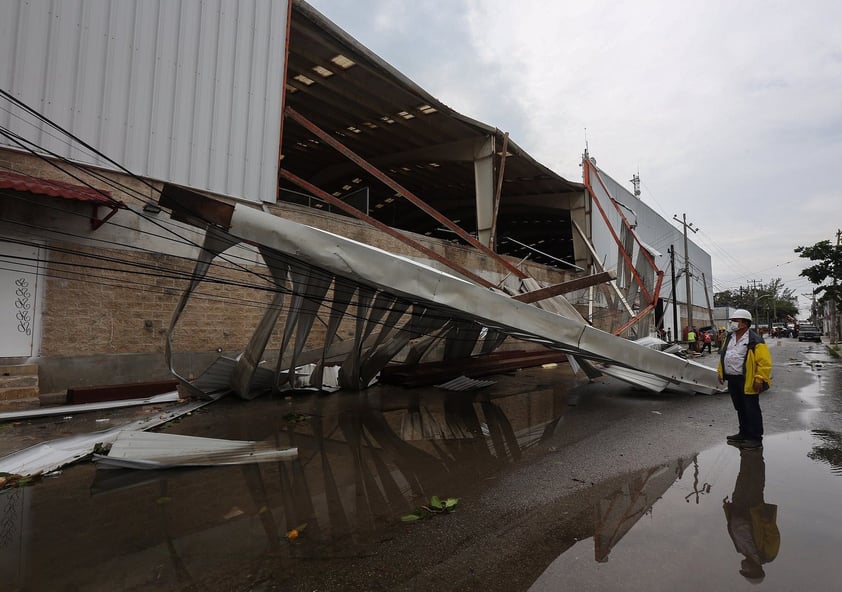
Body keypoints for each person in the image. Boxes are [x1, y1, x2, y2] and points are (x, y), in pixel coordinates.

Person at [723, 447, 780, 583]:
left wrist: (728, 510)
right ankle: (755, 448)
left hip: (738, 505)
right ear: (755, 570)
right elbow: (773, 535)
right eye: (746, 571)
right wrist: (766, 520)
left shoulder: (743, 550)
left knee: (743, 475)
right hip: (753, 507)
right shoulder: (767, 555)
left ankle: (745, 451)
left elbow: (736, 529)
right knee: (755, 477)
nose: (742, 568)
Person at [717, 309, 772, 448]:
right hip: (733, 379)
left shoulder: (755, 340)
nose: (732, 323)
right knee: (740, 408)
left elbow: (764, 362)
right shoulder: (729, 337)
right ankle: (743, 433)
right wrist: (720, 372)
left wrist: (759, 378)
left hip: (747, 380)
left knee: (751, 409)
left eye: (736, 321)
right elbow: (724, 355)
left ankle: (755, 438)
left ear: (745, 323)